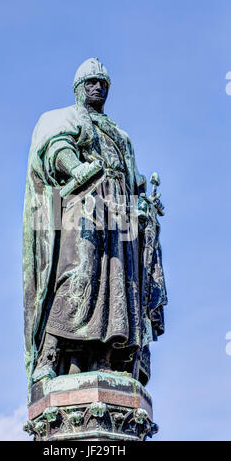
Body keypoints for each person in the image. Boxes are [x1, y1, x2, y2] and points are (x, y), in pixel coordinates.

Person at [23, 58, 167, 397]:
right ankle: (52, 353)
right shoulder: (66, 118)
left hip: (119, 219)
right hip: (82, 210)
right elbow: (56, 147)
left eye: (103, 83)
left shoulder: (121, 135)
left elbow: (132, 179)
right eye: (91, 82)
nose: (98, 87)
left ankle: (105, 358)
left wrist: (143, 199)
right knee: (77, 274)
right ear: (77, 88)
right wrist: (75, 169)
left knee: (118, 283)